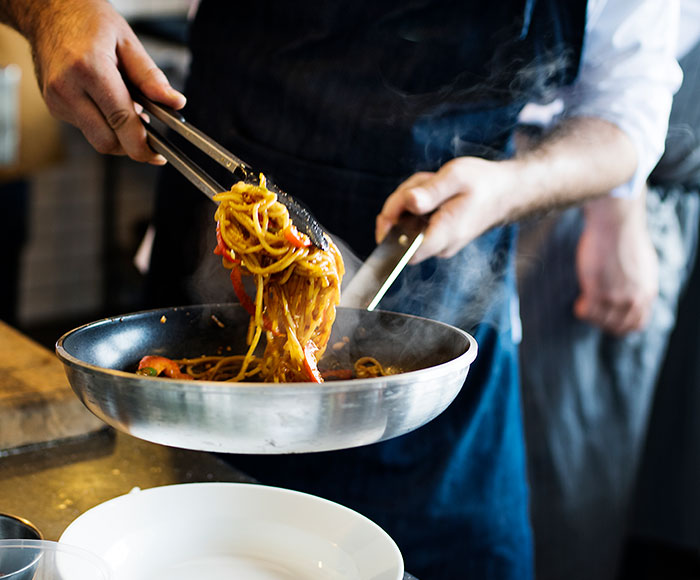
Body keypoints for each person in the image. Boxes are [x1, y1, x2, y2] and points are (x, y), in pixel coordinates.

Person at [0, 1, 681, 578]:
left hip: (443, 316)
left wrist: (508, 187)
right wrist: (54, 10)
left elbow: (627, 113)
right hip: (207, 291)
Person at [516, 3, 700, 577]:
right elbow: (614, 67)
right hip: (571, 183)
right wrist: (618, 210)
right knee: (560, 492)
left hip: (647, 173)